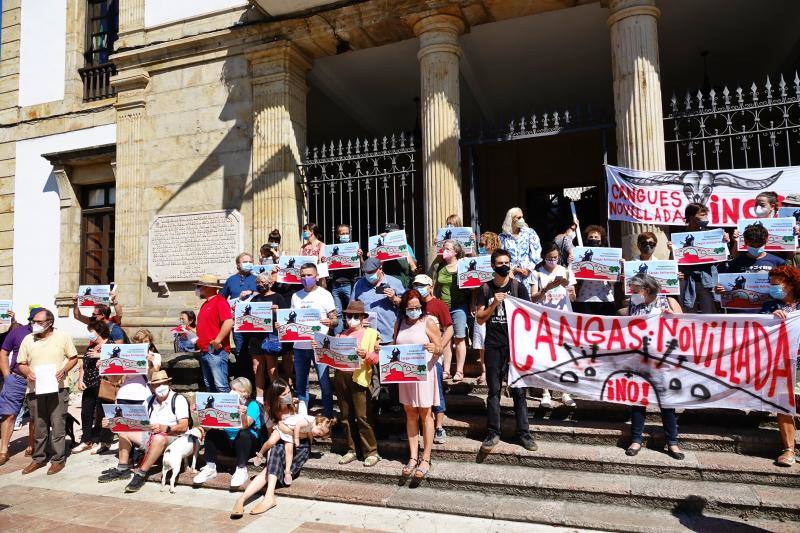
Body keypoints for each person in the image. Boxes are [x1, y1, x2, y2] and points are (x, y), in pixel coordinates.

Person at [476, 249, 537, 453]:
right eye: (500, 263)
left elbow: (530, 316)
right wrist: (494, 302)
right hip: (494, 345)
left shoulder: (518, 287)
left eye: (507, 262)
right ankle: (493, 432)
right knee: (494, 391)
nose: (504, 266)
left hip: (515, 346)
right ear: (493, 266)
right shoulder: (485, 289)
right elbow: (479, 318)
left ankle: (524, 433)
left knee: (519, 391)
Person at [231, 379, 316, 517]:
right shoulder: (270, 411)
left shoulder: (299, 405)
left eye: (289, 392)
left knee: (270, 468)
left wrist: (287, 430)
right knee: (275, 452)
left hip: (300, 445)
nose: (288, 396)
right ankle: (243, 499)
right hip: (280, 444)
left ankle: (261, 497)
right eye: (284, 394)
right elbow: (271, 436)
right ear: (276, 398)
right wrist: (271, 447)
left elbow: (310, 434)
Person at [623, 274, 684, 460]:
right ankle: (636, 439)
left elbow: (685, 324)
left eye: (634, 290)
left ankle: (672, 442)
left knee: (667, 403)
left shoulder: (668, 301)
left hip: (664, 360)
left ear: (647, 290)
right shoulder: (634, 304)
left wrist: (673, 318)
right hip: (640, 359)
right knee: (638, 401)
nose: (631, 293)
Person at [99, 370, 191, 492]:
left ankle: (141, 473)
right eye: (156, 384)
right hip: (150, 434)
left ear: (169, 384)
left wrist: (164, 428)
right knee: (124, 431)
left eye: (163, 383)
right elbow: (135, 421)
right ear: (152, 387)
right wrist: (112, 422)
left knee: (159, 438)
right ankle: (122, 469)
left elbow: (184, 426)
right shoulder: (149, 400)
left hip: (173, 437)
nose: (160, 387)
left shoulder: (178, 399)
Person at [16, 309, 78, 475]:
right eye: (33, 321)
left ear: (49, 323)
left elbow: (73, 357)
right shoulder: (28, 339)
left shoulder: (62, 336)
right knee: (39, 426)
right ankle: (38, 458)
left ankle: (58, 460)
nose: (34, 324)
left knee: (58, 425)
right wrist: (27, 371)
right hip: (35, 390)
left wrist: (64, 370)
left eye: (38, 322)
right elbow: (21, 362)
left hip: (58, 389)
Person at [323, 300, 381, 466]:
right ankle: (352, 449)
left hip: (360, 377)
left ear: (363, 318)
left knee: (363, 416)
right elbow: (331, 355)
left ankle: (371, 451)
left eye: (356, 316)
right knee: (346, 416)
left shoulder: (372, 334)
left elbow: (376, 359)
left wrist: (366, 355)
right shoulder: (341, 335)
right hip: (342, 377)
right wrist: (320, 348)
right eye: (349, 316)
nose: (352, 319)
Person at [394, 289, 442, 481]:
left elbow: (440, 347)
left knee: (425, 414)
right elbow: (394, 345)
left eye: (417, 307)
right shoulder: (400, 323)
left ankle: (426, 458)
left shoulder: (428, 322)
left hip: (424, 374)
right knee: (410, 413)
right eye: (410, 307)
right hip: (406, 375)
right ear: (404, 307)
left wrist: (434, 348)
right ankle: (413, 456)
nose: (414, 310)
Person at [94, 329, 162, 455]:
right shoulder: (126, 355)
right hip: (124, 394)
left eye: (145, 341)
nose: (143, 344)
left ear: (150, 342)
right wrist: (104, 368)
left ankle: (141, 454)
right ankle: (127, 458)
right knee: (123, 427)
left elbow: (155, 375)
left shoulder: (155, 356)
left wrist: (151, 362)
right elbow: (115, 379)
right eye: (139, 342)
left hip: (143, 395)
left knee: (141, 427)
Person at [759, 265, 800, 467]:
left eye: (777, 283)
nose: (773, 287)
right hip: (780, 363)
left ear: (791, 284)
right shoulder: (768, 307)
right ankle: (789, 449)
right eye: (771, 283)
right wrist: (770, 319)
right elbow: (758, 331)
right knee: (784, 405)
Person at [530, 242, 577, 408]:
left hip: (563, 319)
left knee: (564, 355)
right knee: (545, 356)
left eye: (555, 258)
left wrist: (569, 290)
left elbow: (573, 298)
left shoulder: (565, 271)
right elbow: (533, 298)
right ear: (544, 257)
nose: (552, 261)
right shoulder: (537, 273)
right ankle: (545, 393)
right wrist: (546, 289)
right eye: (549, 258)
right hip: (544, 319)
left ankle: (565, 392)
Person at [193, 377, 263, 488]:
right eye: (231, 388)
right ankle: (210, 467)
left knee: (243, 434)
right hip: (230, 444)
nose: (231, 392)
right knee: (212, 434)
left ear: (245, 392)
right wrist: (201, 413)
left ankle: (241, 469)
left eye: (235, 389)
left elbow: (245, 425)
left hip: (247, 446)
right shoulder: (226, 404)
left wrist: (243, 414)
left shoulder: (252, 405)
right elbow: (206, 428)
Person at [291, 263, 338, 418]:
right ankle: (302, 417)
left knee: (324, 383)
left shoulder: (325, 294)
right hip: (299, 346)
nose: (306, 278)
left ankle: (328, 417)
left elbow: (335, 320)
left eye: (309, 275)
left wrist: (330, 322)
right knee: (301, 384)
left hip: (319, 345)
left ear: (316, 276)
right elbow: (291, 320)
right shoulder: (295, 296)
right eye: (303, 275)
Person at [411, 274, 452, 445]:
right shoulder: (413, 305)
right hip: (415, 357)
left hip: (433, 359)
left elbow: (449, 328)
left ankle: (439, 426)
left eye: (421, 285)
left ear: (430, 286)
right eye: (415, 285)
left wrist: (439, 347)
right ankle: (421, 426)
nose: (418, 288)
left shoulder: (438, 305)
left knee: (436, 392)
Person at [0, 307, 40, 466]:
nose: (37, 324)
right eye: (35, 321)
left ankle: (32, 443)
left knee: (35, 414)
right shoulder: (17, 332)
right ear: (30, 320)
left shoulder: (50, 334)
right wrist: (6, 375)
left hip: (36, 379)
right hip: (16, 378)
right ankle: (3, 450)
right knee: (9, 414)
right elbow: (3, 352)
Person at [674, 203, 728, 314]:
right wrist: (672, 248)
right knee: (688, 312)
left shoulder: (711, 235)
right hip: (687, 279)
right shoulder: (679, 236)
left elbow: (722, 258)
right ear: (691, 217)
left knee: (710, 312)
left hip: (707, 278)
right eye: (701, 214)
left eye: (706, 214)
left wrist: (724, 243)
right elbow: (675, 260)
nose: (705, 217)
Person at [72, 320, 114, 454]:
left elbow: (118, 361)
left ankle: (105, 441)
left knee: (104, 414)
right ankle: (86, 440)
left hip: (103, 384)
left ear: (99, 331)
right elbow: (83, 365)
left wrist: (101, 355)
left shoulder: (110, 344)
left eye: (91, 331)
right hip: (89, 384)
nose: (89, 334)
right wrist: (80, 380)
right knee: (86, 413)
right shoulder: (91, 346)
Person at [245, 273, 288, 402]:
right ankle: (259, 398)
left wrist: (277, 312)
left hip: (271, 337)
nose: (260, 284)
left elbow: (286, 317)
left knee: (271, 367)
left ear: (271, 283)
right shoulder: (254, 299)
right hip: (256, 337)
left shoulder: (278, 297)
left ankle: (275, 397)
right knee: (256, 367)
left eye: (263, 282)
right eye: (258, 282)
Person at [432, 239, 469, 383]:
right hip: (443, 307)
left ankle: (459, 371)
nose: (444, 250)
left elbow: (472, 284)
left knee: (459, 338)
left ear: (456, 252)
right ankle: (446, 370)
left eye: (447, 248)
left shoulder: (463, 265)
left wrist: (472, 303)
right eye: (443, 248)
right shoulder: (439, 266)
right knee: (446, 340)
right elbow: (435, 286)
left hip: (459, 306)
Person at [351, 257, 405, 343]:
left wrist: (394, 298)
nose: (369, 275)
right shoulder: (359, 284)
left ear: (380, 268)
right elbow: (352, 310)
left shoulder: (395, 282)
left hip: (389, 336)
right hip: (366, 337)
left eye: (372, 272)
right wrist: (359, 321)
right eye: (367, 273)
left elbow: (406, 306)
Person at [222, 252, 258, 381]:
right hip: (237, 322)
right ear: (238, 264)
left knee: (255, 352)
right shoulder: (231, 280)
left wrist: (253, 292)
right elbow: (222, 300)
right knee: (240, 352)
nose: (248, 264)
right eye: (245, 261)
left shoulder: (256, 279)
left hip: (255, 322)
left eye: (250, 261)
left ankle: (256, 381)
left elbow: (265, 294)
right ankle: (245, 380)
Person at [472, 232, 501, 386]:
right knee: (481, 338)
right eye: (480, 244)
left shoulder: (500, 260)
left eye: (484, 244)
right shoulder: (478, 260)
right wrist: (473, 303)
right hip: (481, 302)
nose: (481, 247)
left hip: (498, 302)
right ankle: (483, 371)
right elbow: (473, 285)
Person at [196, 273, 234, 393]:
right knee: (210, 386)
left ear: (207, 287)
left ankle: (228, 411)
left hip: (215, 351)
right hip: (206, 350)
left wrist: (217, 341)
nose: (198, 289)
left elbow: (228, 322)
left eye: (200, 286)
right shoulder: (205, 304)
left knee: (221, 386)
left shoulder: (220, 302)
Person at [573, 225, 617, 315]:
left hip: (605, 299)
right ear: (587, 239)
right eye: (591, 237)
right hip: (584, 299)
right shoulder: (580, 254)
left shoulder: (609, 256)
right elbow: (575, 279)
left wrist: (618, 266)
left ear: (601, 240)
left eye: (596, 237)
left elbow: (613, 282)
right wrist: (572, 262)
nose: (594, 239)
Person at [328, 224, 363, 334]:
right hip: (336, 284)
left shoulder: (353, 248)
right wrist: (325, 259)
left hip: (349, 284)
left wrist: (360, 257)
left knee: (353, 312)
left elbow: (363, 266)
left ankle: (354, 334)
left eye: (346, 233)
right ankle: (339, 336)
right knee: (337, 313)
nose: (345, 235)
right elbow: (327, 267)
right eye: (342, 233)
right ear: (338, 235)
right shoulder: (331, 249)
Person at [499, 207, 542, 287]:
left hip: (528, 275)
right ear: (511, 219)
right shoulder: (503, 237)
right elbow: (500, 257)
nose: (522, 219)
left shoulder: (530, 232)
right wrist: (513, 269)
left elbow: (537, 252)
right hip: (511, 275)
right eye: (519, 218)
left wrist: (528, 269)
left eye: (522, 217)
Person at [379, 222, 418, 288]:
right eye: (388, 232)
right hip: (387, 285)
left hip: (403, 284)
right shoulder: (381, 248)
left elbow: (414, 267)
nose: (389, 234)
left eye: (392, 232)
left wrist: (409, 258)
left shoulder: (406, 247)